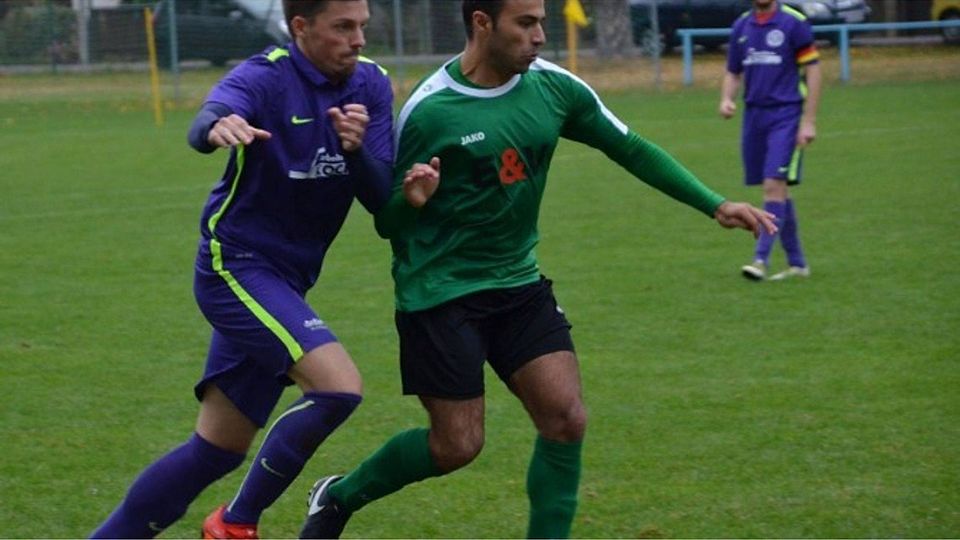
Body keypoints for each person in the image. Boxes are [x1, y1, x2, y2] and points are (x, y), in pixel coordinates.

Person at [299, 0, 777, 538]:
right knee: (456, 445)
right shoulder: (431, 110)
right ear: (483, 23)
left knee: (565, 418)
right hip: (440, 292)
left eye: (542, 21)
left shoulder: (555, 88)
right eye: (525, 23)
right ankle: (338, 496)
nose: (540, 36)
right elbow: (386, 224)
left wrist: (714, 204)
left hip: (518, 283)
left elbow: (630, 147)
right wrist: (412, 199)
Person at [90, 1, 393, 538]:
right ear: (301, 27)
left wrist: (355, 152)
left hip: (288, 281)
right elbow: (207, 120)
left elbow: (383, 202)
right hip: (236, 267)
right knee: (338, 388)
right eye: (343, 27)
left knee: (215, 451)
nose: (359, 39)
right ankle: (233, 523)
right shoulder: (266, 75)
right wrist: (217, 125)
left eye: (362, 25)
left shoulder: (370, 85)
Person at [719, 0, 822, 281]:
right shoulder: (742, 25)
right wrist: (727, 99)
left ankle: (760, 260)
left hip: (786, 115)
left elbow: (813, 71)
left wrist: (808, 120)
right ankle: (798, 264)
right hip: (754, 117)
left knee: (772, 186)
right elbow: (733, 70)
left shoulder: (793, 23)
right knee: (777, 192)